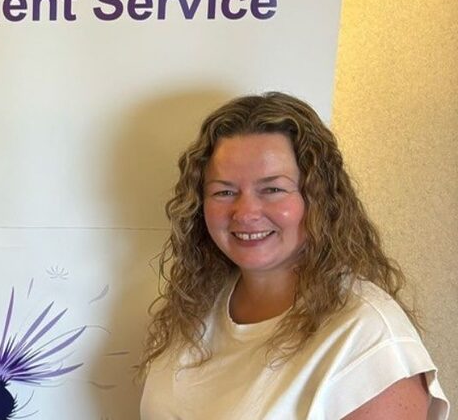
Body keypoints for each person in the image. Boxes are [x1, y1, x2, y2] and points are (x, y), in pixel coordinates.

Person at [138, 92, 449, 419]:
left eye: (272, 189)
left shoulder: (369, 338)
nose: (245, 212)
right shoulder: (196, 306)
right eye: (224, 191)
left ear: (317, 198)